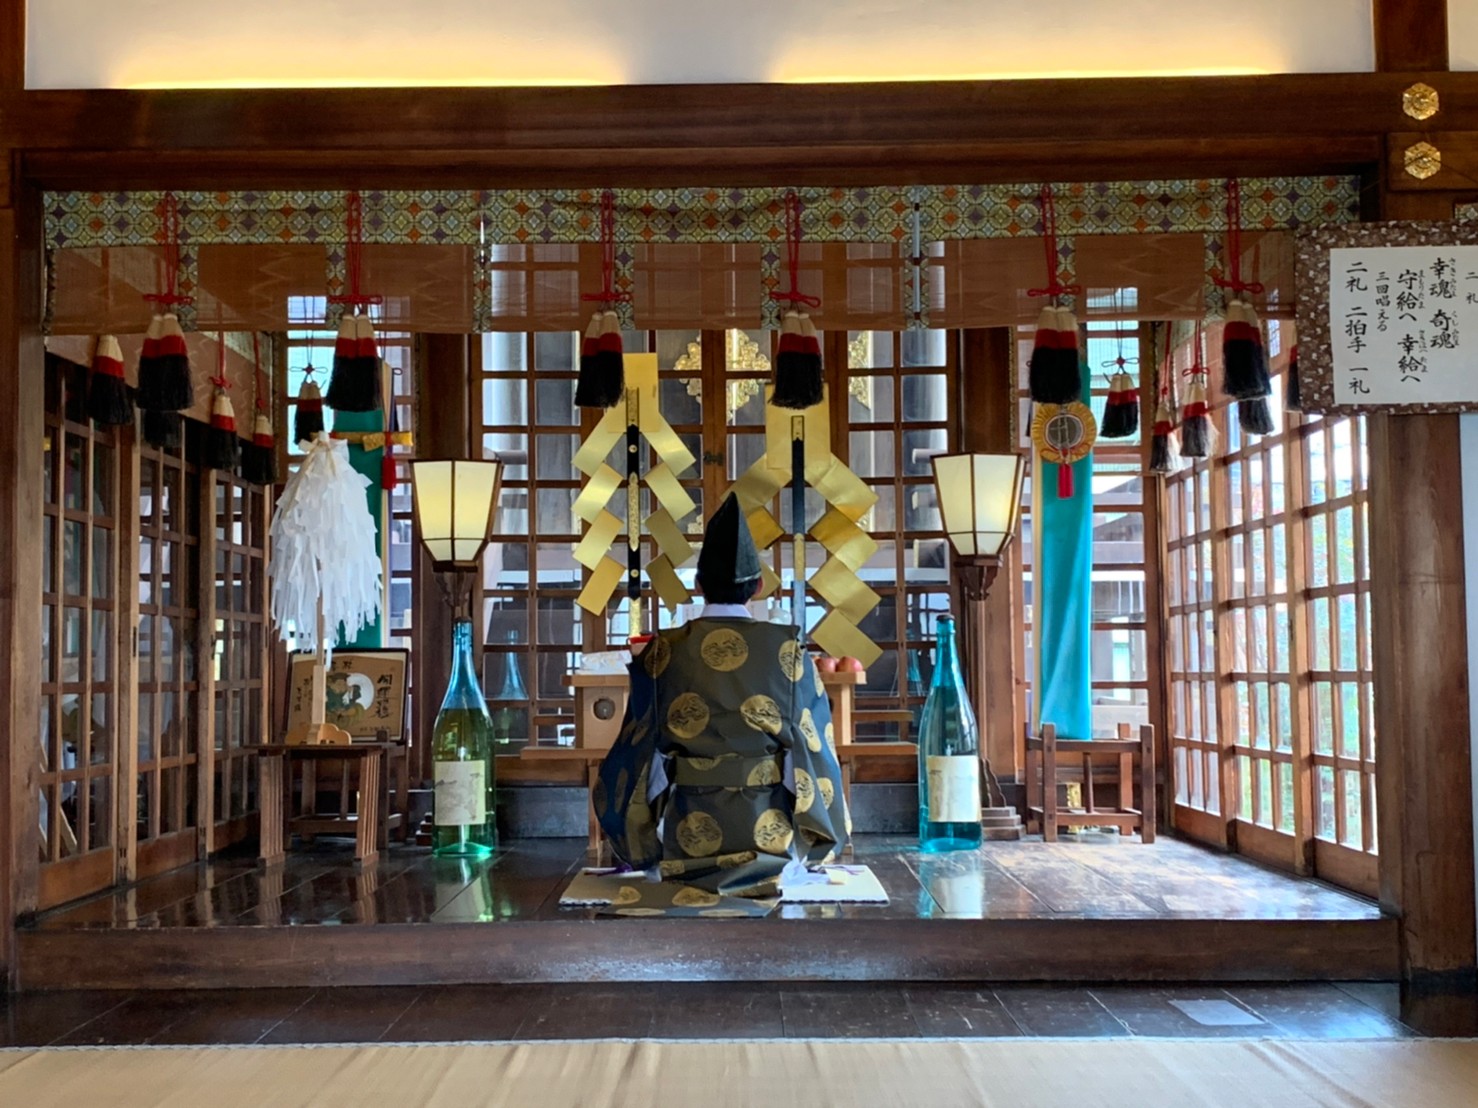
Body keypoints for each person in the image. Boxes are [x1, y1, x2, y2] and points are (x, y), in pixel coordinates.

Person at [594, 494, 850, 903]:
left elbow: (635, 753)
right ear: (759, 587)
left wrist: (637, 840)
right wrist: (821, 839)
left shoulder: (662, 651)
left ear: (698, 586)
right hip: (772, 849)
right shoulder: (787, 651)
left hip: (685, 840)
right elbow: (813, 751)